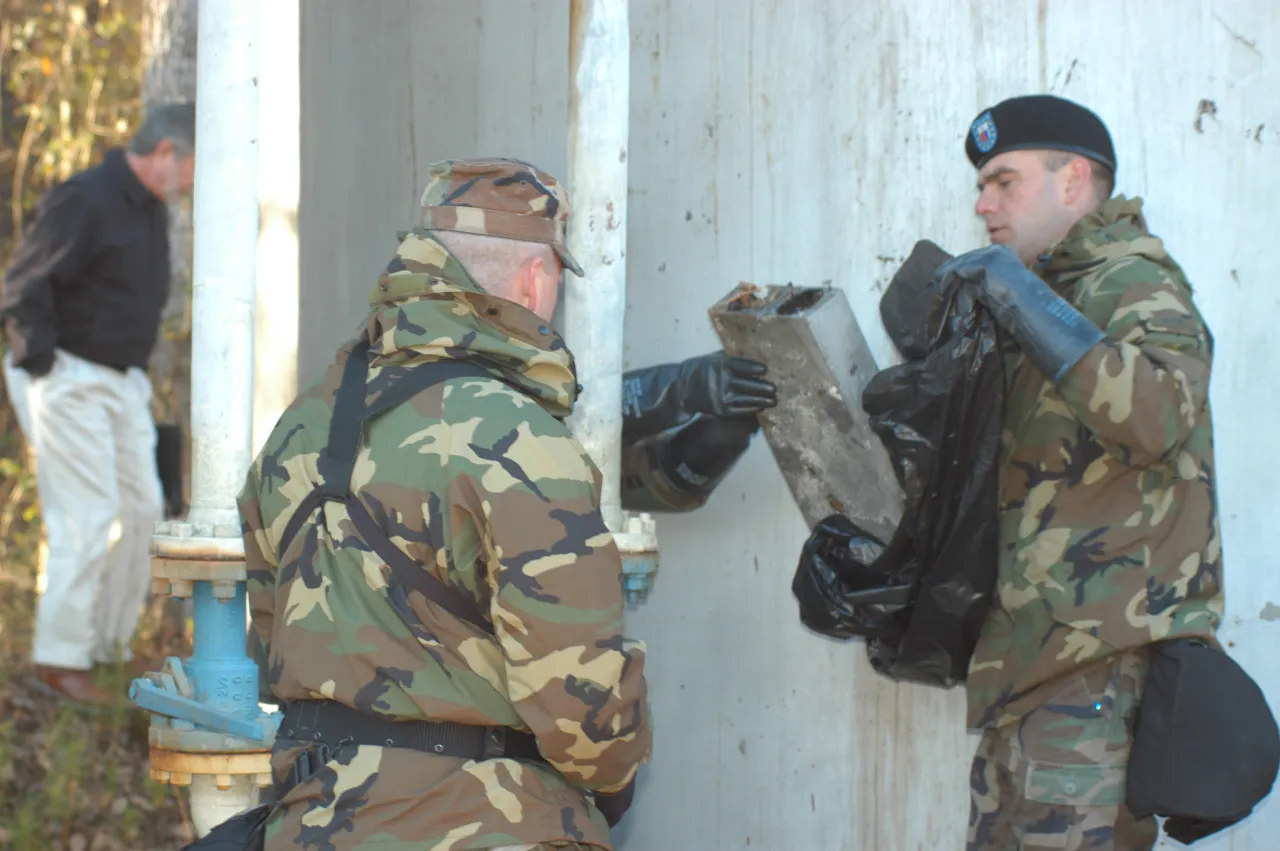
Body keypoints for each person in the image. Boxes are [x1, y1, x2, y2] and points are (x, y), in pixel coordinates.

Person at [238, 158, 658, 851]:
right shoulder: (518, 438)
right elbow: (584, 712)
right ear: (536, 280)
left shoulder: (300, 427)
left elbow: (271, 638)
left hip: (311, 826)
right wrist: (614, 774)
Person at [936, 95, 1223, 850]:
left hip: (1097, 679)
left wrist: (1020, 297)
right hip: (1033, 678)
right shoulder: (1050, 294)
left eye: (1004, 181)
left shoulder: (1131, 280)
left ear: (1074, 181)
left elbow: (1158, 411)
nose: (982, 202)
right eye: (982, 185)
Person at [1, 102, 197, 708]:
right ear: (166, 152)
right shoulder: (84, 198)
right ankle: (60, 660)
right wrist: (45, 368)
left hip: (121, 381)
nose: (193, 183)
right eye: (192, 167)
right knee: (87, 514)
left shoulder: (150, 211)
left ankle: (105, 650)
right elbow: (22, 287)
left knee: (142, 511)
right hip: (69, 376)